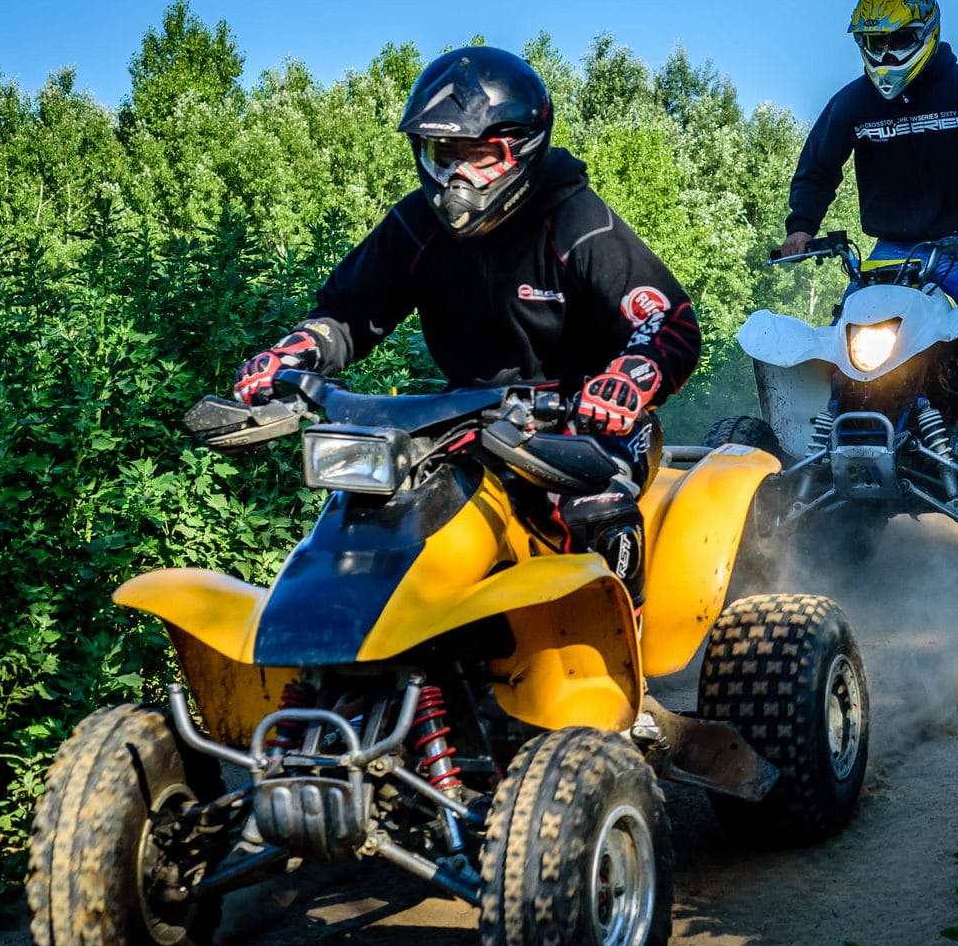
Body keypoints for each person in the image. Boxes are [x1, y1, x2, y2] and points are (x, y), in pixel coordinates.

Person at [231, 45, 699, 602]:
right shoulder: (415, 224)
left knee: (596, 512)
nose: (458, 178)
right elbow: (348, 312)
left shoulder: (574, 219)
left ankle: (625, 674)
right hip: (463, 422)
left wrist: (629, 378)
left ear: (522, 148)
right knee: (370, 514)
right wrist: (293, 354)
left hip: (588, 421)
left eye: (480, 156)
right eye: (443, 154)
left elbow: (667, 319)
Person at [780, 0, 958, 304]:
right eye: (877, 43)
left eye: (900, 40)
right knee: (847, 324)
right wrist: (801, 226)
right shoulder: (851, 103)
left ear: (926, 34)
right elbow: (817, 168)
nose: (887, 54)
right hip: (892, 249)